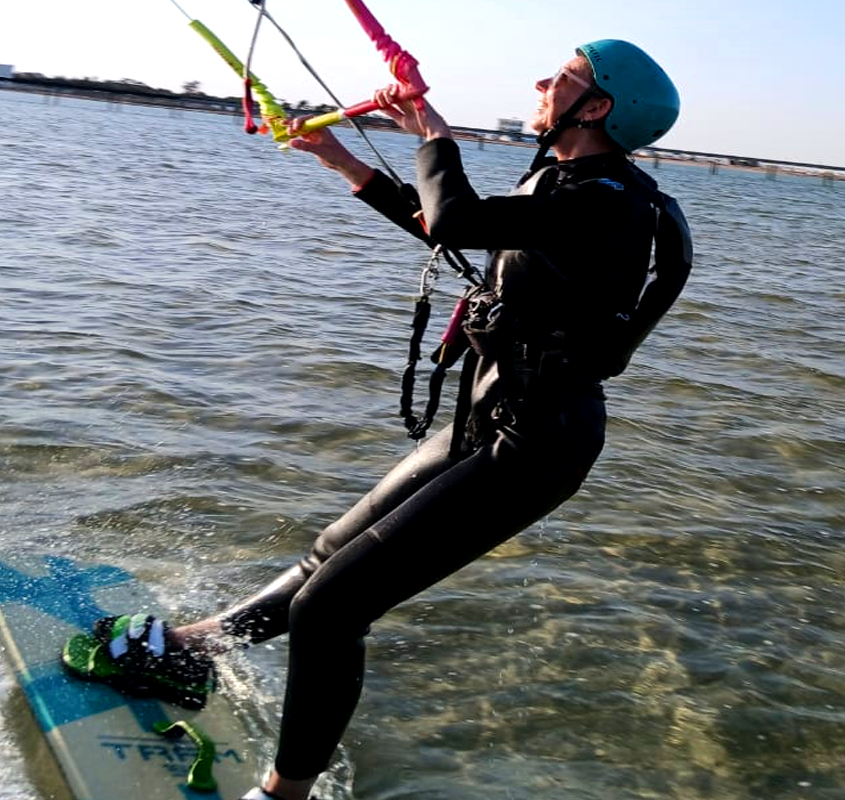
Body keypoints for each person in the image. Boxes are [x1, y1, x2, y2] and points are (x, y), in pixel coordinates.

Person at [71, 40, 692, 800]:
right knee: (327, 558)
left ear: (596, 107)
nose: (540, 81)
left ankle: (284, 793)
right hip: (487, 420)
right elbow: (447, 225)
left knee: (332, 609)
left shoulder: (609, 201)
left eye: (562, 77)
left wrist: (433, 131)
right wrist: (338, 157)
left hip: (537, 444)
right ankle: (194, 651)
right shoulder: (573, 185)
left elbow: (455, 216)